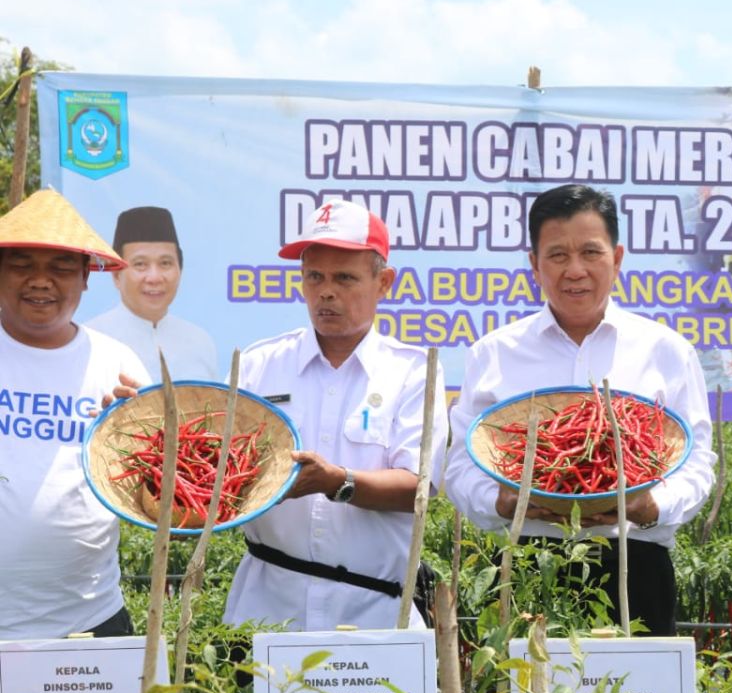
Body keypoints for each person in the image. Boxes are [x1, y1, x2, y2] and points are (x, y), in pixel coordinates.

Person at [445, 183, 716, 636]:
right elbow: (459, 468)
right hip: (530, 560)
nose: (575, 271)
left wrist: (650, 506)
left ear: (618, 257)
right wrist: (505, 500)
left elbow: (697, 463)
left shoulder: (665, 350)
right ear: (533, 263)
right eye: (557, 255)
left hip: (637, 565)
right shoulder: (494, 353)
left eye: (591, 252)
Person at [223, 198, 448, 631]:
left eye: (345, 278)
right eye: (314, 277)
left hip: (375, 612)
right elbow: (225, 471)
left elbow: (417, 487)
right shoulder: (258, 365)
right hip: (269, 607)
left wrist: (336, 482)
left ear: (384, 283)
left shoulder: (414, 372)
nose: (326, 292)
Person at [0, 189, 150, 640]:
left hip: (88, 622)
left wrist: (146, 440)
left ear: (86, 278)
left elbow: (154, 501)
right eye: (21, 264)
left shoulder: (117, 364)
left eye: (61, 268)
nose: (41, 281)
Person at [86, 206, 219, 382]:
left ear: (180, 269)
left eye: (165, 263)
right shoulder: (91, 341)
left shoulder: (200, 342)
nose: (154, 278)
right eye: (140, 264)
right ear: (117, 275)